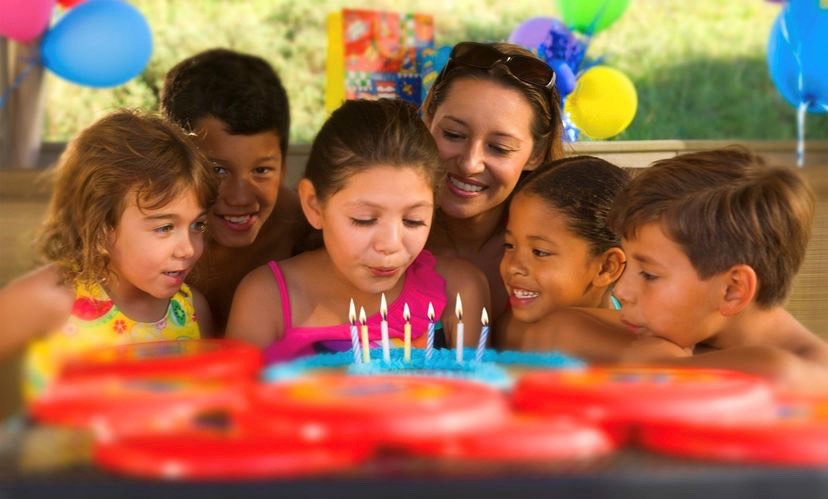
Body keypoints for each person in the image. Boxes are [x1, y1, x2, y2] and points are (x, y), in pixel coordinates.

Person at [226, 99, 490, 362]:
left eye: (413, 220)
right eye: (364, 220)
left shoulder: (459, 291)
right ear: (314, 205)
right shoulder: (266, 299)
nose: (390, 244)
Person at [0, 110, 218, 400]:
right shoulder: (47, 299)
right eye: (165, 227)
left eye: (197, 225)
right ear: (101, 229)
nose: (189, 248)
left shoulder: (191, 311)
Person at [608, 146, 828, 394]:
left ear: (732, 290)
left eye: (649, 275)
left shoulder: (812, 371)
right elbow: (564, 325)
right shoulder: (690, 328)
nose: (620, 290)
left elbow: (780, 375)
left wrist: (662, 366)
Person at [160, 48, 310, 332]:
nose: (240, 197)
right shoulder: (141, 235)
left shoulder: (306, 232)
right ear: (174, 161)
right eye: (218, 170)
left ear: (284, 166)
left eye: (262, 170)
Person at [421, 41, 565, 328]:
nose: (470, 163)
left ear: (536, 154)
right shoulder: (377, 234)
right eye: (453, 134)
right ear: (427, 119)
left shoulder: (569, 245)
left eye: (499, 148)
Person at [497, 156, 632, 356]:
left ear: (606, 267)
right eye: (509, 245)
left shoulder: (635, 312)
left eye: (540, 252)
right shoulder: (522, 330)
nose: (513, 267)